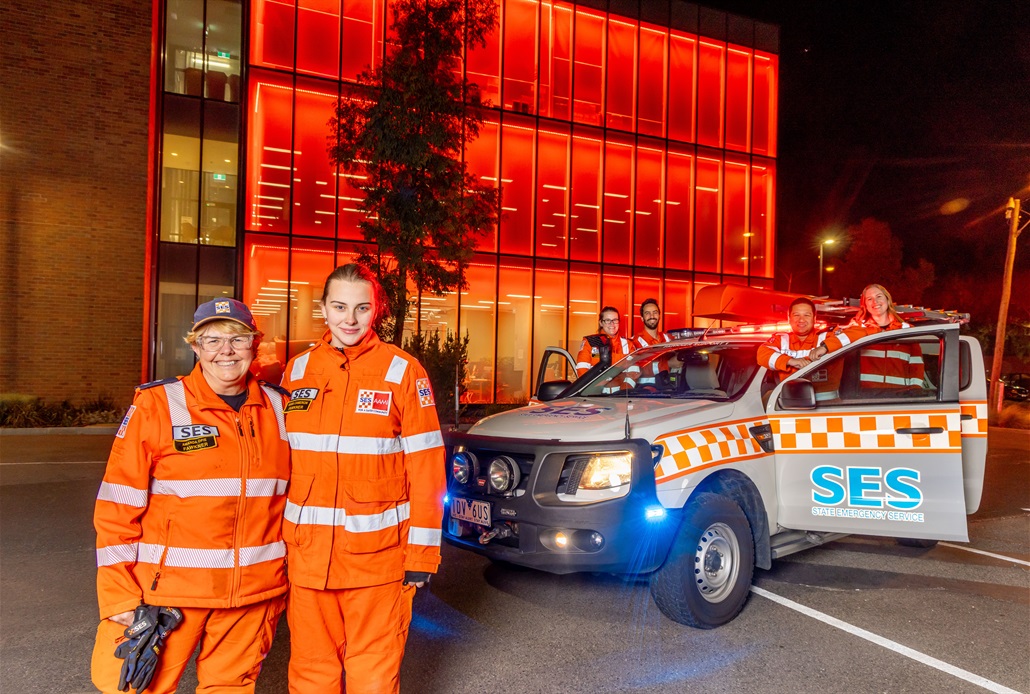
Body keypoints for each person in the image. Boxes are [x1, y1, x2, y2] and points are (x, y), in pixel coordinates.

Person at [91, 299, 290, 693]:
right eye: (212, 340)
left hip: (253, 595)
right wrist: (118, 597)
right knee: (133, 689)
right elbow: (117, 508)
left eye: (238, 339)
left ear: (255, 344)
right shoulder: (157, 405)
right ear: (195, 347)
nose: (226, 351)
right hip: (170, 596)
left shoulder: (281, 407)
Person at [280, 264, 446, 694]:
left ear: (377, 310)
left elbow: (427, 468)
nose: (349, 319)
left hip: (377, 562)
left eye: (361, 308)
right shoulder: (296, 371)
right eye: (339, 307)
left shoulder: (403, 371)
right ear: (323, 309)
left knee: (372, 678)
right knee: (310, 676)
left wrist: (422, 556)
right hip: (308, 560)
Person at [810, 283, 925, 391]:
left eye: (879, 296)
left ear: (887, 299)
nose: (875, 302)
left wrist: (915, 391)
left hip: (899, 396)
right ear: (865, 305)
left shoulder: (906, 330)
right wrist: (825, 347)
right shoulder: (858, 329)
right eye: (869, 299)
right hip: (867, 397)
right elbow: (838, 341)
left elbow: (916, 365)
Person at [756, 297, 828, 380]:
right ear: (789, 319)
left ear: (814, 319)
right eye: (796, 315)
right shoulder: (781, 340)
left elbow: (842, 337)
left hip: (823, 389)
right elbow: (762, 354)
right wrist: (791, 361)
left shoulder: (827, 337)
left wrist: (825, 347)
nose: (801, 320)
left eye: (807, 315)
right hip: (789, 388)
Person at [575, 306, 635, 378]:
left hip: (621, 385)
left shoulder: (628, 344)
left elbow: (634, 370)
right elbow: (581, 369)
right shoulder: (591, 342)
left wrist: (626, 384)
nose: (612, 324)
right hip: (597, 385)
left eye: (615, 320)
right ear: (601, 323)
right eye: (607, 320)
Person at [631, 298, 673, 386]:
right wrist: (668, 364)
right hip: (645, 390)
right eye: (647, 313)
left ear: (659, 316)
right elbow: (638, 370)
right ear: (642, 318)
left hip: (669, 388)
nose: (652, 316)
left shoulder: (668, 339)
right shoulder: (634, 342)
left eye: (655, 312)